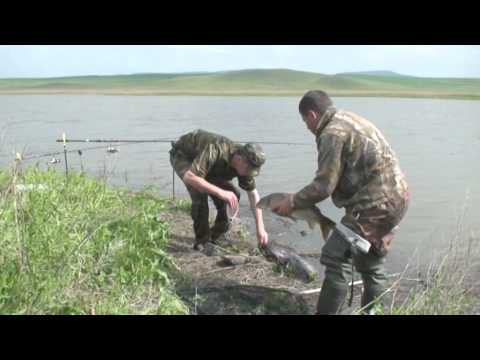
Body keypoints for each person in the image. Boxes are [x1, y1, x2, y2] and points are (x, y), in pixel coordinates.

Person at [273, 90, 410, 314]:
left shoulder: (331, 133)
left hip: (374, 205)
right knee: (370, 263)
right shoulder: (349, 119)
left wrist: (293, 202)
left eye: (305, 120)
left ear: (312, 115)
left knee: (334, 257)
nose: (306, 126)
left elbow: (324, 186)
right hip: (398, 199)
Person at [169, 129, 269, 251]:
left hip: (208, 167)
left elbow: (253, 194)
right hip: (184, 156)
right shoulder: (215, 149)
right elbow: (190, 177)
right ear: (239, 159)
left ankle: (216, 235)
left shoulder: (246, 165)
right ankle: (202, 242)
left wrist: (260, 227)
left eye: (253, 171)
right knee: (200, 194)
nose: (249, 173)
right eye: (249, 169)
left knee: (233, 194)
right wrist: (220, 192)